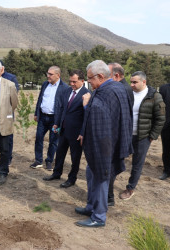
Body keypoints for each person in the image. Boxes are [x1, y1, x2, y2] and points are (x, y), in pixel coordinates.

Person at [75, 60, 132, 228]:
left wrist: (86, 106)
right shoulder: (116, 88)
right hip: (106, 144)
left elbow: (102, 123)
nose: (89, 83)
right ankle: (91, 207)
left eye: (90, 79)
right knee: (92, 175)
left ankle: (98, 217)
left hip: (103, 147)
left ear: (100, 76)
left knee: (100, 178)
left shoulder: (106, 93)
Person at [118, 71, 165, 200]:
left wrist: (152, 136)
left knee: (137, 164)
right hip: (125, 134)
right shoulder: (127, 93)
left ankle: (130, 188)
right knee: (117, 158)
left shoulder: (155, 96)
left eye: (135, 82)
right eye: (131, 82)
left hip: (142, 137)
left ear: (144, 82)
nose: (131, 84)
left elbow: (161, 118)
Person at [42, 70, 90, 188]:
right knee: (60, 153)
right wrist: (57, 123)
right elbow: (62, 109)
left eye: (74, 82)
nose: (72, 84)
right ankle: (56, 173)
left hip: (76, 133)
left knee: (75, 157)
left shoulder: (87, 94)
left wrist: (82, 132)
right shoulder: (67, 91)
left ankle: (71, 179)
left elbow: (87, 117)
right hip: (63, 130)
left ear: (82, 81)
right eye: (70, 81)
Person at [29, 66, 68, 170]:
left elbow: (64, 106)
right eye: (48, 73)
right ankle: (38, 160)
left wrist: (60, 121)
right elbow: (40, 99)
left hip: (55, 119)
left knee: (53, 141)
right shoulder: (45, 84)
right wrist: (37, 113)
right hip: (42, 117)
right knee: (38, 138)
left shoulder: (64, 88)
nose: (48, 76)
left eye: (50, 74)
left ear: (58, 75)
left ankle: (49, 161)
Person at [107, 62, 134, 206]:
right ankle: (108, 196)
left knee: (111, 168)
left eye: (107, 74)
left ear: (116, 76)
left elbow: (123, 116)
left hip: (116, 136)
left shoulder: (123, 89)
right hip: (116, 135)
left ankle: (109, 198)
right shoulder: (121, 87)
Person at [0, 60, 20, 165]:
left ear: (2, 68)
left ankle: (7, 158)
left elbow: (14, 94)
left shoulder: (11, 78)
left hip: (6, 112)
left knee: (7, 136)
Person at [159, 69, 170, 180]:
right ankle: (166, 171)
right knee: (166, 150)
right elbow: (160, 106)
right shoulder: (165, 88)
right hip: (168, 124)